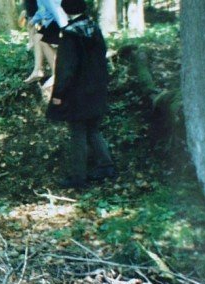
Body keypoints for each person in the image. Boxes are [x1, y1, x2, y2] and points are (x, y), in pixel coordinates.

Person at [46, 0, 115, 189]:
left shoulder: (70, 35)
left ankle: (78, 178)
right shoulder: (94, 28)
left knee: (77, 134)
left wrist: (58, 94)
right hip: (97, 90)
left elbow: (65, 69)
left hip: (77, 94)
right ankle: (106, 166)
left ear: (65, 9)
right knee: (92, 129)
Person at [27, 0, 69, 86]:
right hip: (51, 22)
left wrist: (64, 29)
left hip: (58, 22)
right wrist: (33, 21)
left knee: (44, 43)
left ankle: (56, 74)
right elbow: (42, 10)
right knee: (37, 37)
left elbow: (56, 9)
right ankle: (37, 70)